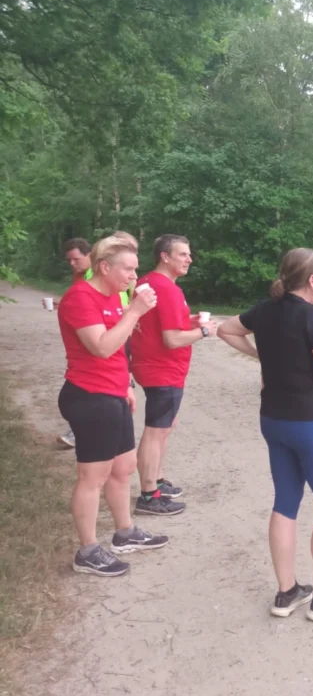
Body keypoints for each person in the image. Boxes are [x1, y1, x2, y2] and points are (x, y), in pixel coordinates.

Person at [217, 248, 313, 626]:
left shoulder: (264, 310)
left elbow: (225, 329)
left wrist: (261, 357)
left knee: (286, 500)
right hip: (312, 425)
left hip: (274, 419)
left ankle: (287, 591)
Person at [57, 234, 168, 576]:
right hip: (89, 397)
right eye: (129, 270)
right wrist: (135, 311)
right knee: (93, 477)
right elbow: (102, 347)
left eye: (136, 269)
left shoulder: (114, 296)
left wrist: (127, 384)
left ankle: (125, 533)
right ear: (104, 267)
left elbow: (119, 349)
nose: (135, 277)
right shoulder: (80, 298)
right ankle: (87, 551)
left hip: (113, 394)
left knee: (123, 469)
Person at [130, 235, 216, 516]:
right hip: (163, 369)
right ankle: (148, 495)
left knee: (164, 428)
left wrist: (190, 322)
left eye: (189, 254)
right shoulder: (165, 288)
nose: (189, 259)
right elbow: (171, 339)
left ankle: (156, 480)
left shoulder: (147, 282)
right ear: (165, 257)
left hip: (152, 366)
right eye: (183, 254)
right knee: (156, 432)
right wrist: (203, 331)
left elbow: (159, 324)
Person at [53, 238, 93, 449]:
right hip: (81, 335)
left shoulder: (97, 274)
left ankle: (81, 431)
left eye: (76, 259)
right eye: (69, 260)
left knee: (83, 387)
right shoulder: (79, 275)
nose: (72, 263)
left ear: (89, 255)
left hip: (98, 333)